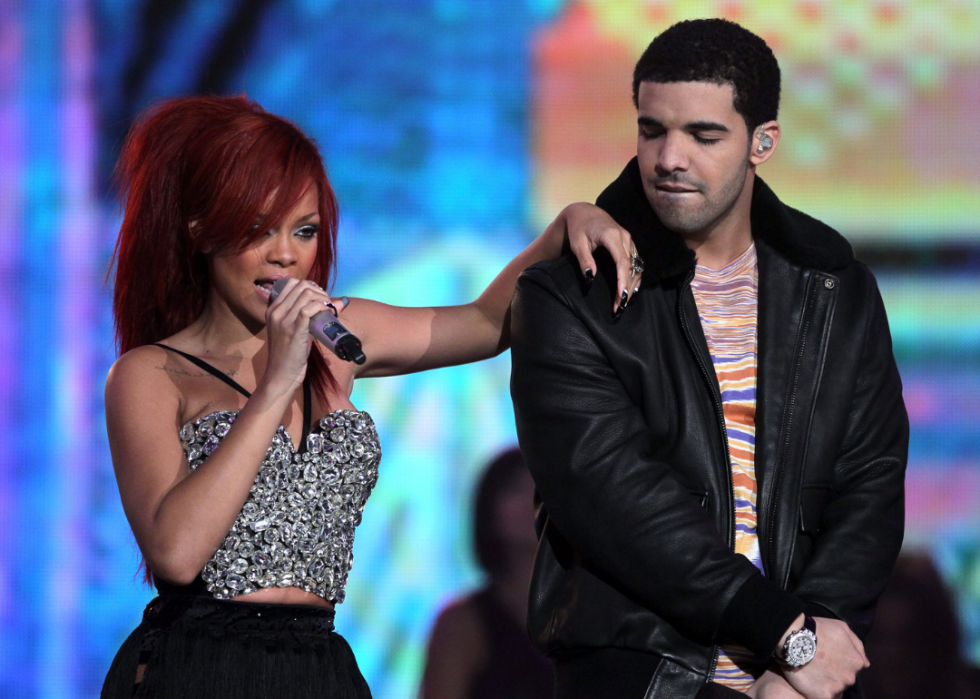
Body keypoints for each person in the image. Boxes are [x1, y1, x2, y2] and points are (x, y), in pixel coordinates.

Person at [99, 95, 640, 698]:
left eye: (303, 231)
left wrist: (566, 224)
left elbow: (487, 324)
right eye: (258, 229)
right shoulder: (150, 374)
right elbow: (175, 554)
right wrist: (278, 380)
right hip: (201, 669)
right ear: (202, 230)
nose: (286, 254)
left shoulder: (339, 335)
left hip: (319, 665)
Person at [509, 19, 908, 699]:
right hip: (643, 674)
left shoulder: (835, 287)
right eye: (651, 130)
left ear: (764, 142)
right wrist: (786, 631)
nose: (669, 157)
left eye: (703, 135)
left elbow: (871, 483)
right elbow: (610, 496)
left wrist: (800, 662)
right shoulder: (570, 293)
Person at [421, 447, 554, 699]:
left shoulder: (595, 613)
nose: (531, 502)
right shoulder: (461, 624)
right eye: (515, 488)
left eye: (543, 488)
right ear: (489, 506)